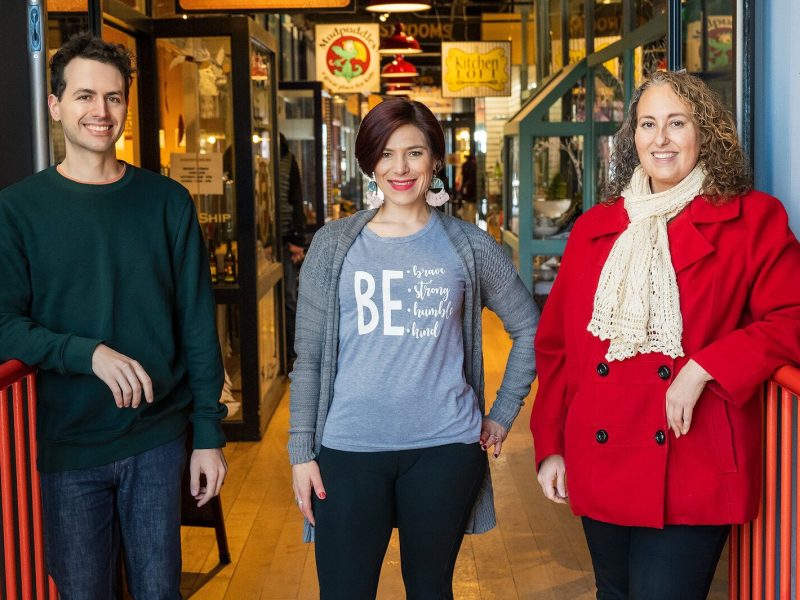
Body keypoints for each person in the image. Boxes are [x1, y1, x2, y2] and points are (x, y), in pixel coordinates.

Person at [531, 70, 800, 599]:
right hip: (599, 453)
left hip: (691, 456)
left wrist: (704, 367)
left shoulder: (751, 220)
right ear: (632, 138)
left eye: (677, 123)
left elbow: (792, 315)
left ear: (707, 133)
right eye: (648, 124)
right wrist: (550, 445)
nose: (661, 138)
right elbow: (558, 348)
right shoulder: (597, 226)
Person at [0, 33, 228, 598]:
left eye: (113, 98)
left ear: (127, 105)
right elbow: (4, 323)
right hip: (67, 444)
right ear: (55, 106)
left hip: (155, 439)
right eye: (83, 96)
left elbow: (198, 327)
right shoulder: (17, 210)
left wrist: (208, 434)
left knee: (159, 591)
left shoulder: (167, 202)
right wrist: (88, 353)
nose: (100, 111)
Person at [288, 98, 538, 599]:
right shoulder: (334, 245)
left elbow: (531, 329)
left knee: (430, 590)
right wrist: (300, 450)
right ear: (370, 162)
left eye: (415, 153)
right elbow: (309, 356)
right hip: (350, 449)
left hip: (444, 450)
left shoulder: (469, 246)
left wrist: (504, 412)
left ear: (436, 161)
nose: (400, 168)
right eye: (386, 153)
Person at [278, 133, 307, 362]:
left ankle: (294, 357)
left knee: (288, 299)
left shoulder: (287, 158)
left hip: (284, 238)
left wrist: (297, 239)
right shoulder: (235, 152)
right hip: (250, 238)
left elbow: (296, 198)